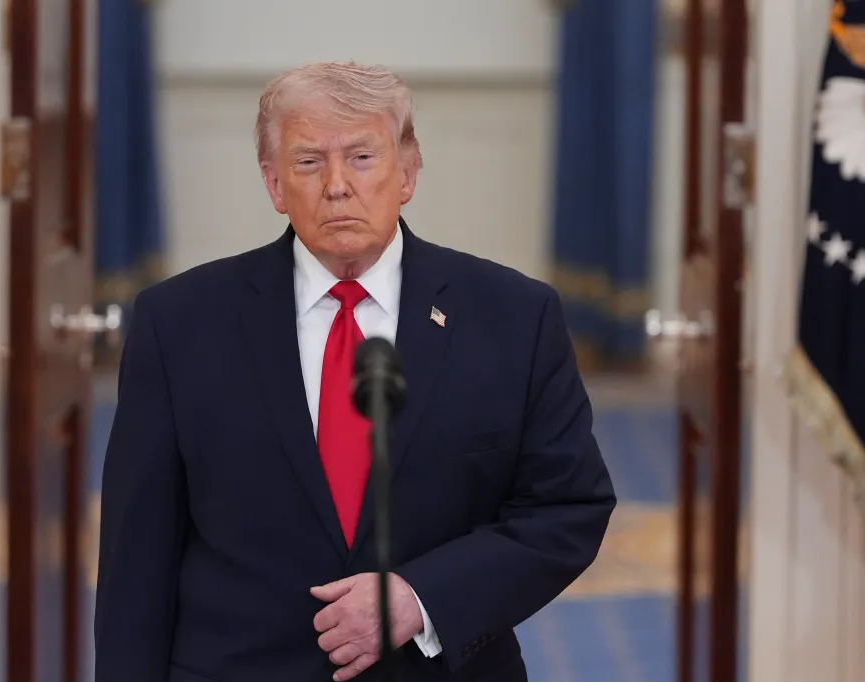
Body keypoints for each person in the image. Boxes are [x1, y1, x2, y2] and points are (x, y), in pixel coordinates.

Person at [94, 61, 616, 682]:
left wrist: (420, 599)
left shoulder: (514, 317)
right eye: (309, 161)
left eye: (363, 157)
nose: (337, 185)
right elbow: (136, 561)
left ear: (409, 172)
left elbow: (567, 508)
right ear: (274, 184)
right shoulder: (178, 324)